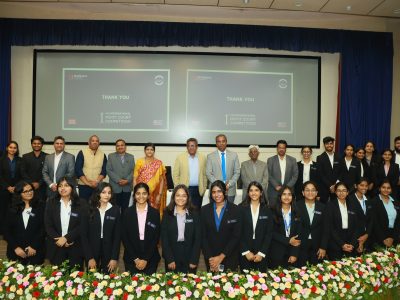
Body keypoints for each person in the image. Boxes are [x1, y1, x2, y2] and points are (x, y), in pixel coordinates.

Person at [44, 176, 87, 270]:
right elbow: (48, 225)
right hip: (57, 246)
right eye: (60, 186)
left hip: (76, 246)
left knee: (76, 279)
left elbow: (83, 225)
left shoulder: (81, 203)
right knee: (58, 279)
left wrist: (67, 238)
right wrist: (60, 240)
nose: (63, 188)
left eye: (66, 185)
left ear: (72, 187)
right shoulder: (51, 203)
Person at [201, 180, 241, 272]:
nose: (216, 195)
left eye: (219, 191)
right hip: (211, 258)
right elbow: (203, 236)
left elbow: (236, 236)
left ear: (225, 192)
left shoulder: (235, 210)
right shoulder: (204, 210)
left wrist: (221, 256)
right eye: (214, 192)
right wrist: (211, 258)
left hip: (229, 256)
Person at [81, 182, 121, 273]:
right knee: (91, 280)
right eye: (103, 192)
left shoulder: (115, 210)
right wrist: (89, 257)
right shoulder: (88, 209)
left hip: (108, 250)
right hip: (92, 249)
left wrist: (114, 258)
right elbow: (83, 235)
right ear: (97, 193)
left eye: (109, 192)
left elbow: (117, 236)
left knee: (107, 280)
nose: (107, 195)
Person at [122, 183, 160, 275]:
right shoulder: (127, 213)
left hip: (150, 256)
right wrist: (136, 259)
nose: (141, 196)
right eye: (138, 193)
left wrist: (146, 259)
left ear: (148, 195)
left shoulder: (155, 213)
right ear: (134, 195)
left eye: (144, 193)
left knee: (150, 287)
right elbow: (124, 237)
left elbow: (156, 238)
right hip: (131, 256)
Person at [161, 184, 201, 273]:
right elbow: (164, 238)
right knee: (172, 284)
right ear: (173, 197)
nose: (181, 198)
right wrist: (169, 258)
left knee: (190, 284)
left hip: (190, 254)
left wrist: (194, 259)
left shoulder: (194, 213)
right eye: (178, 195)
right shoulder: (167, 213)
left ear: (188, 197)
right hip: (172, 253)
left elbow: (198, 238)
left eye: (184, 196)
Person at [3, 181, 45, 265]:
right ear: (19, 193)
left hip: (35, 251)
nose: (29, 193)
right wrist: (15, 247)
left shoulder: (41, 206)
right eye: (25, 191)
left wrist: (34, 246)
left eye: (31, 190)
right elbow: (6, 230)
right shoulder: (12, 208)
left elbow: (43, 229)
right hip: (16, 252)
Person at [239, 181, 273, 272]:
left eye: (256, 190)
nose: (253, 193)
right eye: (251, 190)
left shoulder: (267, 209)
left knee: (261, 283)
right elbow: (238, 232)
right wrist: (246, 251)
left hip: (261, 251)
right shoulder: (241, 208)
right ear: (248, 193)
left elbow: (269, 233)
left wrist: (261, 253)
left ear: (261, 192)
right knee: (244, 282)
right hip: (245, 251)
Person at [268, 186, 301, 269]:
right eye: (284, 194)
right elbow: (271, 232)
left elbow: (298, 235)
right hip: (275, 252)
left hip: (291, 253)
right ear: (280, 196)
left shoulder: (297, 212)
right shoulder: (272, 211)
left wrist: (294, 254)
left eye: (289, 194)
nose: (287, 197)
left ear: (293, 197)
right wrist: (288, 240)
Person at [297, 181, 328, 266]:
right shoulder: (296, 206)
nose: (310, 192)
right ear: (303, 193)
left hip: (318, 246)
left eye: (313, 190)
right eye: (307, 190)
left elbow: (326, 229)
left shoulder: (323, 207)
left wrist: (323, 247)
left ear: (316, 193)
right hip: (301, 245)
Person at [325, 182, 359, 260]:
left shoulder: (353, 205)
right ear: (335, 192)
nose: (341, 193)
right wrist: (342, 244)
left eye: (344, 190)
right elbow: (330, 227)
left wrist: (352, 244)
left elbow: (357, 226)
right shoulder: (330, 206)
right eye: (339, 190)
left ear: (347, 192)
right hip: (335, 242)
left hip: (351, 242)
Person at [172, 138, 207, 209]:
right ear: (187, 147)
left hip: (198, 190)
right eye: (189, 146)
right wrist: (178, 188)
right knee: (184, 210)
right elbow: (175, 174)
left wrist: (204, 188)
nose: (191, 148)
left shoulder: (203, 158)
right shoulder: (180, 157)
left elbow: (204, 175)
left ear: (196, 147)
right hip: (185, 189)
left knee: (197, 211)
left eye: (193, 146)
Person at [134, 143, 167, 216]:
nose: (149, 151)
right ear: (144, 151)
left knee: (153, 214)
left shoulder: (159, 163)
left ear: (154, 151)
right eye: (147, 149)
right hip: (141, 194)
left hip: (155, 194)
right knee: (141, 213)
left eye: (151, 149)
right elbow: (135, 178)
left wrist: (159, 194)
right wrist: (136, 192)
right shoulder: (139, 162)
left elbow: (162, 180)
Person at [206, 134, 240, 203]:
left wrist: (229, 184)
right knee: (214, 212)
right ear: (216, 143)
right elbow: (208, 173)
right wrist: (219, 185)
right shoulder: (210, 156)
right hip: (215, 191)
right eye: (219, 141)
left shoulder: (234, 155)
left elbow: (237, 172)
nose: (221, 143)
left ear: (226, 142)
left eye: (223, 141)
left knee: (229, 212)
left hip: (230, 190)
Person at [266, 140, 298, 207]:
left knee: (288, 212)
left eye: (283, 148)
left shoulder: (292, 160)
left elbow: (295, 175)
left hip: (288, 192)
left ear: (286, 149)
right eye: (279, 147)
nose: (281, 149)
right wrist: (276, 185)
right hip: (274, 191)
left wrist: (287, 187)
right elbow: (268, 174)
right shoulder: (270, 160)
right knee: (273, 213)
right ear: (277, 148)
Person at [106, 139, 135, 213]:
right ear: (116, 147)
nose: (120, 147)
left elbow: (133, 171)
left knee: (125, 208)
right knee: (114, 208)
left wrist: (127, 180)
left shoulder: (131, 157)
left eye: (122, 145)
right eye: (118, 146)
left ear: (125, 147)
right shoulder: (111, 156)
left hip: (127, 187)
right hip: (115, 187)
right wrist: (118, 180)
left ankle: (123, 224)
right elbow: (109, 170)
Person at [75, 135, 107, 201]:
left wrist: (97, 182)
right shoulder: (82, 153)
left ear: (99, 143)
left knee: (97, 206)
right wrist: (88, 183)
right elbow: (78, 170)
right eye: (93, 141)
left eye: (97, 141)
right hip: (84, 185)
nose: (95, 142)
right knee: (84, 206)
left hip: (97, 186)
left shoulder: (103, 154)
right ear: (89, 142)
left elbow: (104, 171)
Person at [0, 141, 22, 234]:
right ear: (7, 148)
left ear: (17, 149)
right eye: (11, 147)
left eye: (14, 148)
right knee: (3, 211)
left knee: (15, 211)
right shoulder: (1, 160)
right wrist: (7, 187)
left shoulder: (20, 160)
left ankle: (13, 231)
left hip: (17, 190)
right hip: (3, 189)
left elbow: (22, 175)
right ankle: (3, 231)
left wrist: (15, 187)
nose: (12, 149)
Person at [370, 180, 400, 249]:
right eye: (383, 187)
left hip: (394, 237)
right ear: (379, 188)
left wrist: (393, 237)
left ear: (391, 189)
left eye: (388, 188)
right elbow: (374, 222)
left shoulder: (396, 202)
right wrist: (383, 238)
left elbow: (398, 221)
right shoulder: (373, 202)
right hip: (378, 238)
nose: (386, 190)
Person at [348, 177, 374, 253]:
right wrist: (360, 241)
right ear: (356, 186)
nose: (364, 188)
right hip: (353, 238)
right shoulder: (349, 199)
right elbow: (352, 222)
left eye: (366, 186)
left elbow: (371, 220)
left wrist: (367, 235)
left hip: (367, 237)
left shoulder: (368, 200)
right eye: (362, 185)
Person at [21, 136, 47, 200]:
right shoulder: (25, 157)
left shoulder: (47, 157)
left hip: (42, 187)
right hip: (28, 187)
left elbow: (48, 172)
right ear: (31, 144)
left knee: (42, 207)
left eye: (39, 143)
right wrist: (31, 183)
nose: (36, 145)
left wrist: (39, 183)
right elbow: (22, 172)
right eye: (34, 143)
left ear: (42, 145)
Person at [316, 136, 340, 203]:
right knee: (324, 210)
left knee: (336, 209)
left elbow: (341, 172)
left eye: (331, 143)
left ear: (333, 144)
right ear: (324, 145)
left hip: (337, 188)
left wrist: (336, 185)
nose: (329, 145)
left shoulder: (339, 157)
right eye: (327, 144)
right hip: (324, 189)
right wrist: (330, 186)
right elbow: (321, 174)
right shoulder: (320, 158)